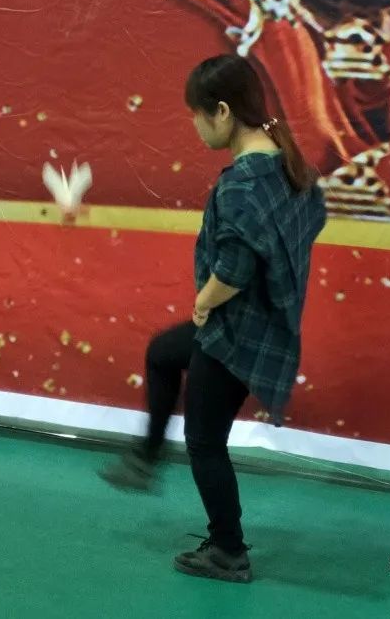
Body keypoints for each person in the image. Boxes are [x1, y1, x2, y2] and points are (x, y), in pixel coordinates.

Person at [100, 54, 327, 584]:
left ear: (222, 111)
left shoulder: (243, 184)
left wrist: (204, 301)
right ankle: (147, 455)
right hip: (263, 325)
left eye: (196, 114)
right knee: (163, 352)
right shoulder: (288, 166)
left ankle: (229, 551)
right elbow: (303, 226)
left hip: (236, 333)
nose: (195, 126)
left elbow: (235, 270)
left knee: (205, 443)